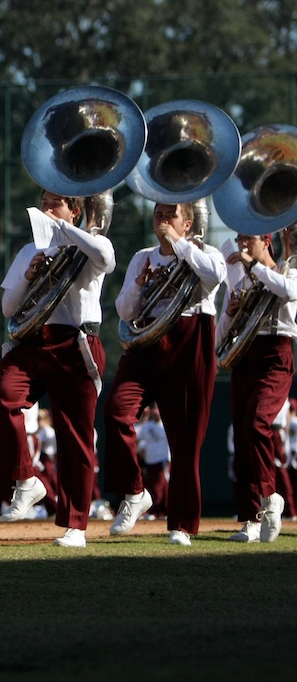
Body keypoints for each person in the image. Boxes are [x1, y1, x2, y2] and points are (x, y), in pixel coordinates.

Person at [0, 190, 114, 547]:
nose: (45, 208)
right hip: (33, 342)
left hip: (75, 344)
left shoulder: (90, 242)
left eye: (55, 203)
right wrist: (29, 275)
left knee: (75, 437)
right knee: (5, 397)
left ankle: (76, 525)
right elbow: (8, 307)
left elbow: (105, 257)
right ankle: (27, 480)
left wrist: (63, 229)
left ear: (74, 210)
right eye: (43, 201)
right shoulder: (29, 250)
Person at [104, 202, 225, 546]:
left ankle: (182, 525)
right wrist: (140, 284)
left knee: (185, 443)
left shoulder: (206, 252)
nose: (161, 218)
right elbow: (125, 310)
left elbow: (214, 277)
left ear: (188, 223)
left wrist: (179, 244)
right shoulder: (143, 256)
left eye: (170, 214)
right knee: (116, 412)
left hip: (190, 341)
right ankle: (134, 491)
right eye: (158, 213)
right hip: (145, 344)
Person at [218, 229, 297, 543]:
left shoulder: (287, 271)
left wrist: (253, 267)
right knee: (242, 435)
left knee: (257, 423)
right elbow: (219, 337)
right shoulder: (241, 281)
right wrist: (229, 313)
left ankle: (270, 498)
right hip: (245, 356)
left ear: (267, 242)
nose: (241, 246)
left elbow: (288, 292)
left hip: (276, 355)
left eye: (248, 239)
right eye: (239, 240)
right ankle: (251, 518)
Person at [135, 405, 170, 520]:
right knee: (151, 486)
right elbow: (137, 437)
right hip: (149, 461)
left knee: (159, 487)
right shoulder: (147, 426)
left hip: (162, 461)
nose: (155, 415)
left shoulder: (165, 427)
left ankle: (160, 511)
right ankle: (155, 511)